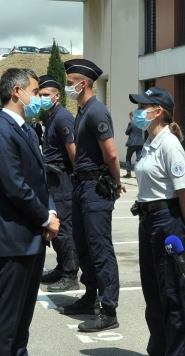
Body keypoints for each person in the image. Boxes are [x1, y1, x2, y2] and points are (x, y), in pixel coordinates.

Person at [0, 68, 59, 356]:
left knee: (24, 310)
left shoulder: (24, 128)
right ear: (17, 91)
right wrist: (44, 217)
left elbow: (39, 178)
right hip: (14, 232)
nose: (39, 95)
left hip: (32, 231)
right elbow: (14, 185)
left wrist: (51, 212)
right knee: (8, 310)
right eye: (35, 89)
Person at [126, 88, 185, 356]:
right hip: (149, 221)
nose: (137, 112)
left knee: (172, 298)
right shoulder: (149, 143)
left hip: (166, 221)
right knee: (153, 294)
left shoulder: (169, 144)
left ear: (158, 112)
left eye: (142, 107)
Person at [59, 59, 126, 332]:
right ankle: (90, 296)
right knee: (83, 244)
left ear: (82, 83)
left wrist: (117, 181)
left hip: (94, 187)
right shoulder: (82, 111)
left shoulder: (96, 111)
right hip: (80, 186)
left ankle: (108, 309)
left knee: (99, 248)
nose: (67, 87)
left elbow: (110, 153)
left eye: (70, 81)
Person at [38, 74, 80, 292]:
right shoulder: (51, 117)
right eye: (39, 94)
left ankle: (71, 272)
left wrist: (75, 177)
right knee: (54, 224)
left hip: (63, 178)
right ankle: (61, 266)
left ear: (57, 96)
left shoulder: (63, 118)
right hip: (52, 178)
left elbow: (73, 152)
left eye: (46, 95)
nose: (42, 98)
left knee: (64, 227)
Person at [124, 112, 144, 178]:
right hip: (140, 143)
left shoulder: (131, 123)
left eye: (129, 116)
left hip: (132, 143)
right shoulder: (140, 123)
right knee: (139, 158)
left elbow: (127, 132)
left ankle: (128, 173)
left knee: (128, 157)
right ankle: (139, 173)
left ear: (131, 116)